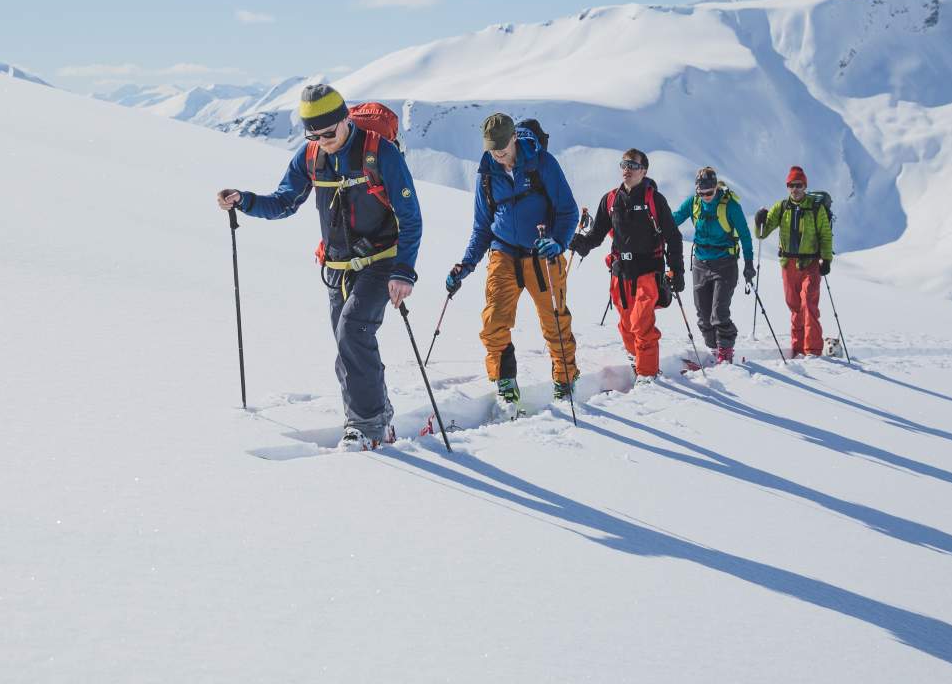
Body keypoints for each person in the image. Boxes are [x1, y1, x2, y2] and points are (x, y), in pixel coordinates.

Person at [216, 84, 421, 449]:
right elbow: (284, 201)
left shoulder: (380, 152)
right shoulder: (311, 155)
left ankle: (368, 425)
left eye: (329, 132)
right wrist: (244, 200)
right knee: (347, 343)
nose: (323, 141)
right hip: (336, 266)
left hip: (381, 262)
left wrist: (404, 271)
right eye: (314, 135)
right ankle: (373, 416)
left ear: (345, 120)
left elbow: (410, 216)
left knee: (353, 331)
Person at [446, 113, 581, 406]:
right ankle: (505, 381)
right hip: (503, 251)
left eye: (502, 148)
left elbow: (569, 211)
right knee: (494, 319)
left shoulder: (543, 164)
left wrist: (558, 242)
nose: (498, 154)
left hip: (542, 254)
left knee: (555, 320)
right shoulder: (486, 173)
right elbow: (482, 227)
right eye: (492, 149)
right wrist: (465, 265)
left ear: (514, 139)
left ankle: (565, 378)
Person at [571, 148, 685, 379]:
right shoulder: (611, 199)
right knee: (626, 326)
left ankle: (647, 375)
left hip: (648, 270)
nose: (627, 170)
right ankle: (636, 361)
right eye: (624, 165)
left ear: (644, 171)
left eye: (633, 165)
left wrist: (677, 270)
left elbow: (673, 237)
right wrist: (581, 243)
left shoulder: (654, 200)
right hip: (620, 272)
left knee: (641, 322)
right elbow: (597, 234)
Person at [673, 166, 754, 363]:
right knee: (703, 314)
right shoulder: (693, 203)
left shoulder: (730, 206)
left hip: (725, 263)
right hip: (700, 262)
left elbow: (745, 235)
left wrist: (749, 263)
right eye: (701, 193)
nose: (706, 196)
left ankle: (725, 351)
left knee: (719, 312)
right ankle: (713, 350)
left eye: (709, 192)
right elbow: (673, 220)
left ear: (716, 187)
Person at [753, 166, 834, 358]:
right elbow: (763, 234)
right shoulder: (781, 207)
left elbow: (825, 234)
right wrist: (759, 222)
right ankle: (798, 349)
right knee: (795, 306)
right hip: (788, 264)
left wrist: (826, 259)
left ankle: (812, 350)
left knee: (809, 303)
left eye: (798, 185)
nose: (795, 189)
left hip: (810, 263)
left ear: (805, 186)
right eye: (791, 185)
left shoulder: (816, 208)